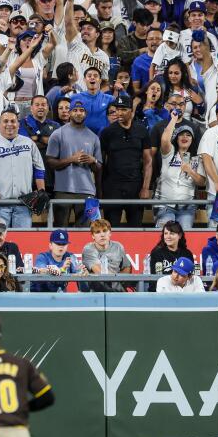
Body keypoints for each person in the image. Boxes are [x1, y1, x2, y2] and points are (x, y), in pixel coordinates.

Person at [0, 109, 46, 228]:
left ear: (18, 124)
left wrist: (41, 191)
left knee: (23, 243)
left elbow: (39, 170)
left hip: (24, 203)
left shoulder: (28, 143)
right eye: (5, 121)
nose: (9, 124)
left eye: (13, 121)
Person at [46, 99, 102, 227]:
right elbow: (50, 162)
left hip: (88, 192)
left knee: (87, 232)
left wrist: (93, 161)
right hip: (62, 191)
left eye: (81, 110)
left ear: (86, 113)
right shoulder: (57, 134)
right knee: (60, 230)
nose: (78, 113)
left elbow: (99, 167)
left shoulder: (93, 137)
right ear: (70, 113)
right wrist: (71, 159)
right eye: (75, 110)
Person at [99, 94, 152, 227]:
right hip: (112, 187)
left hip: (135, 186)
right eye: (117, 109)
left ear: (131, 111)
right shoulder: (107, 132)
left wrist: (145, 188)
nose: (119, 113)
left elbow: (148, 161)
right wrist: (99, 189)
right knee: (111, 228)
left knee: (136, 229)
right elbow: (100, 163)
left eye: (123, 109)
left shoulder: (142, 130)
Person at [81, 219, 133, 293]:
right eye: (98, 232)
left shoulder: (118, 246)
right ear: (93, 236)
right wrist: (118, 278)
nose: (102, 235)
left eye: (105, 231)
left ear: (110, 233)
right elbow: (101, 271)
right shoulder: (88, 249)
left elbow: (127, 267)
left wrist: (120, 281)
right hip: (96, 292)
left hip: (118, 290)